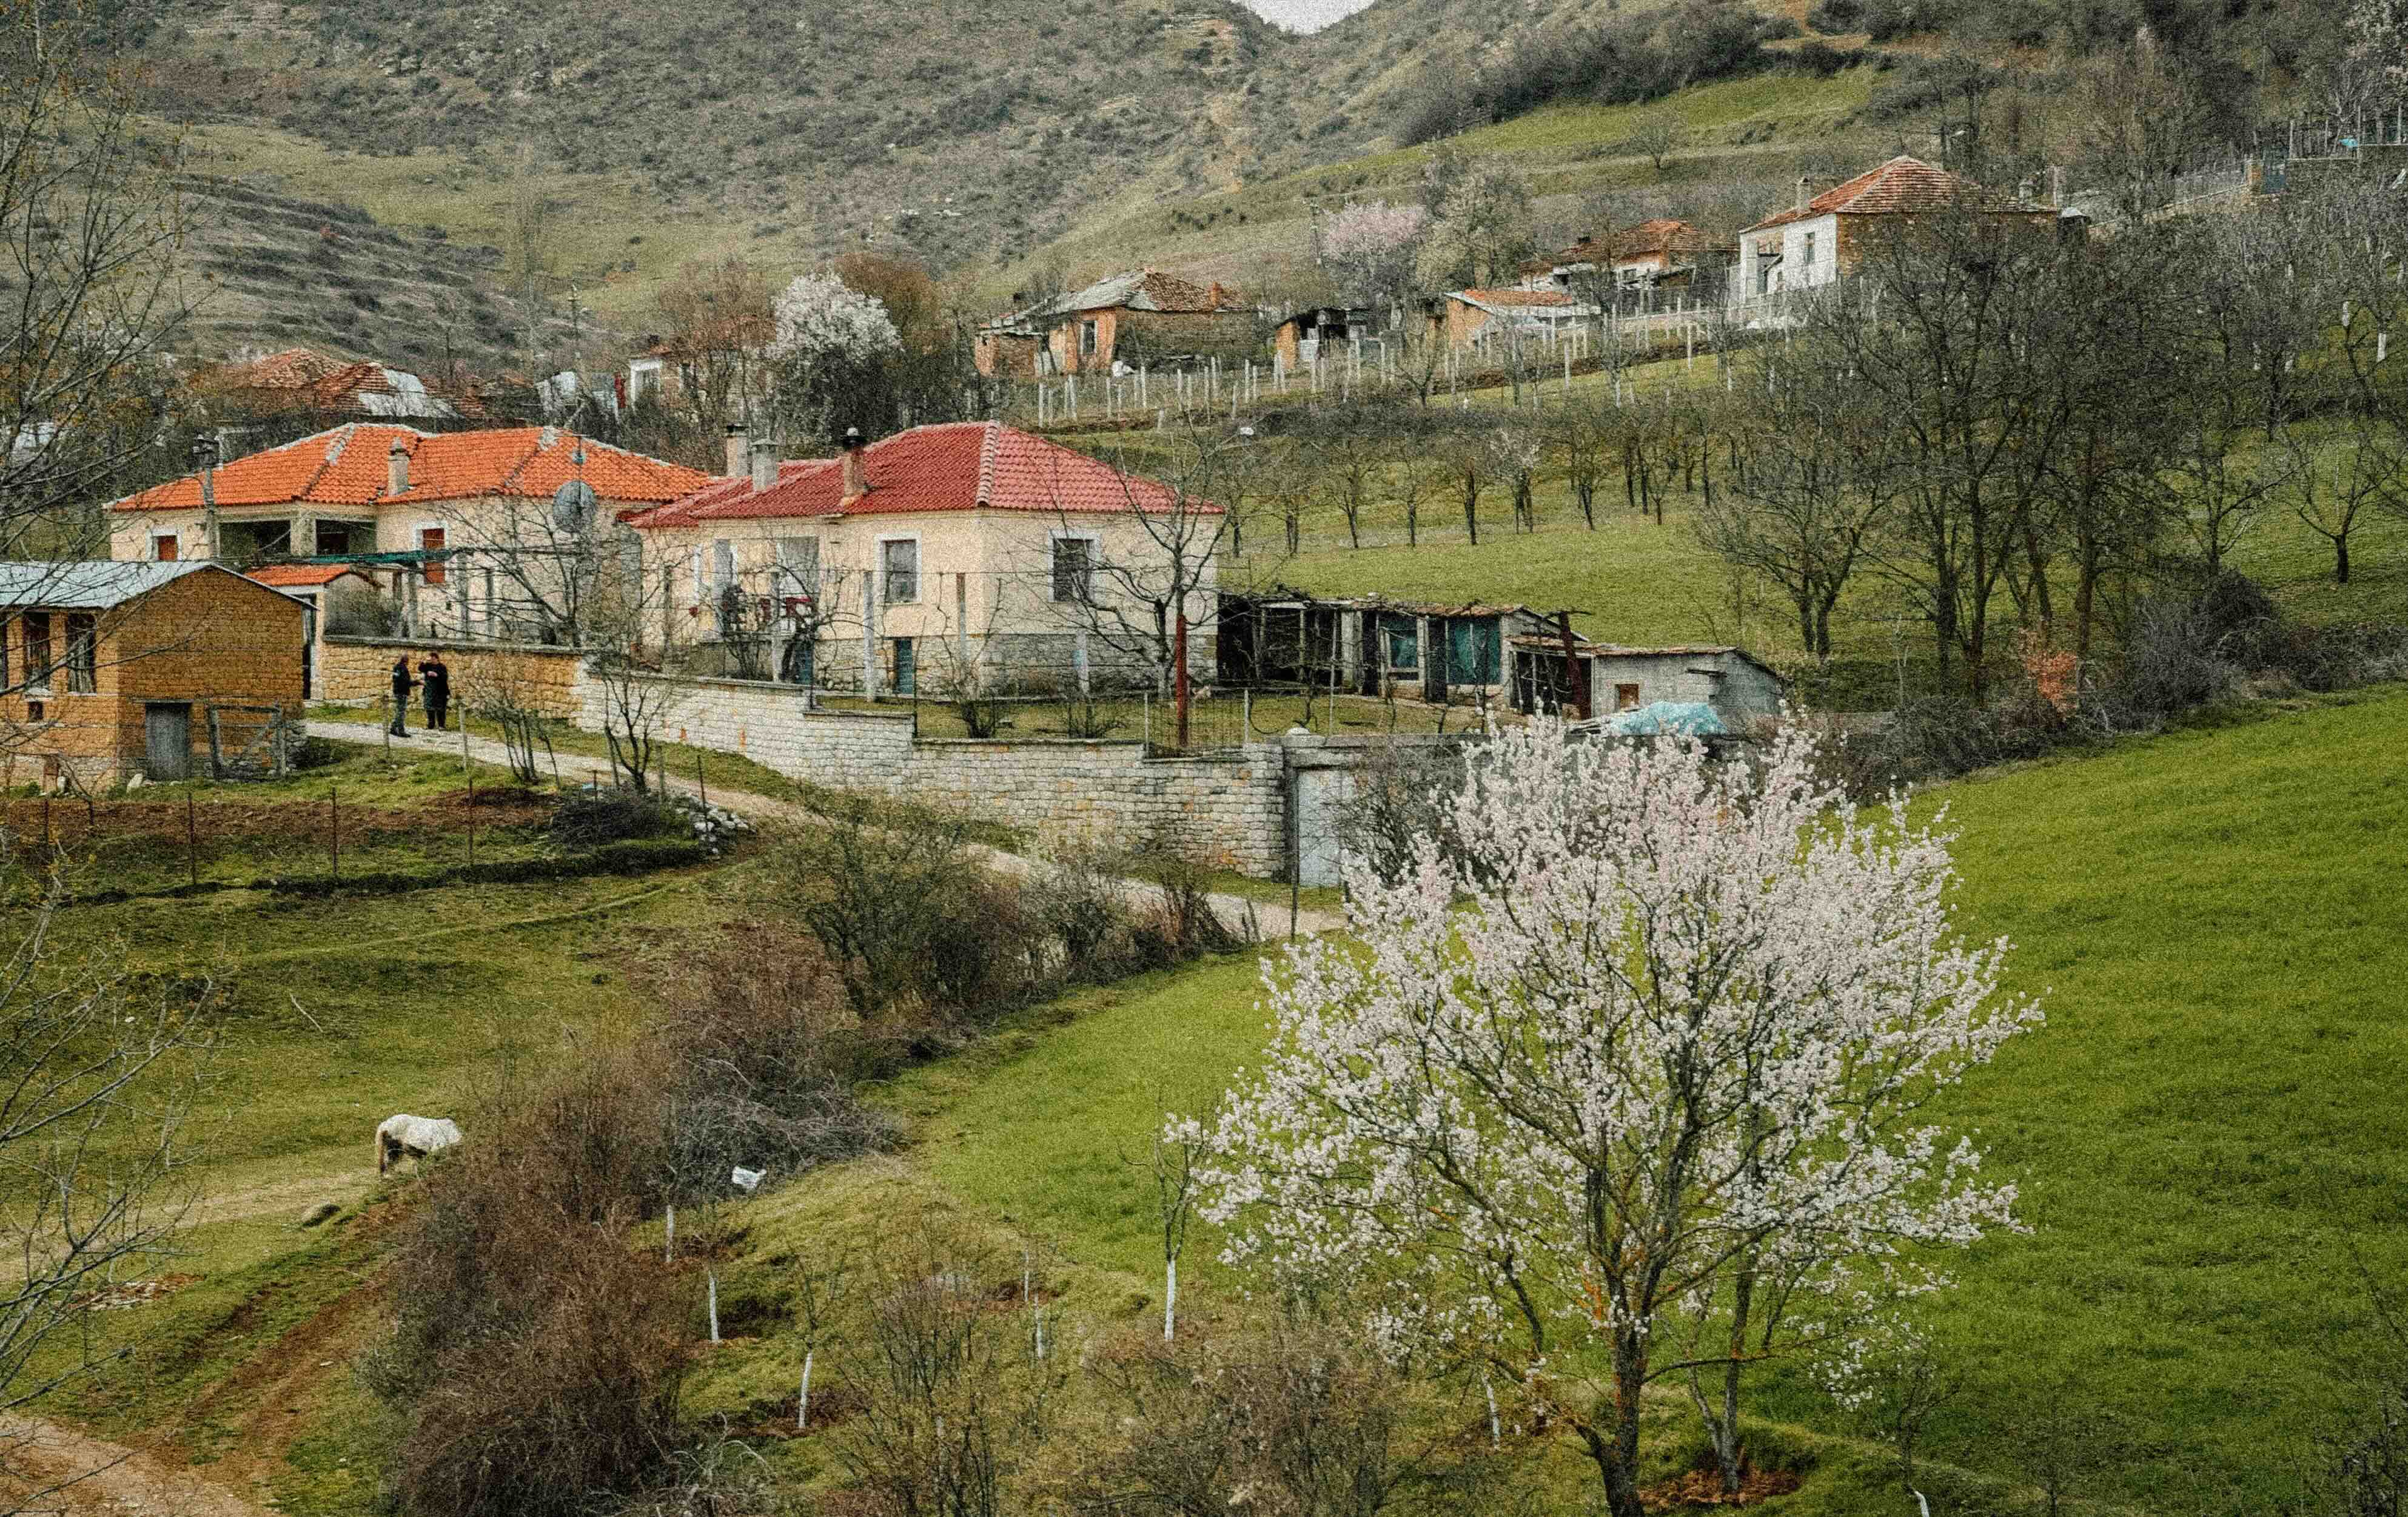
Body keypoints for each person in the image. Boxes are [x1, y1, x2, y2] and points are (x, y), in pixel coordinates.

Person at [421, 653, 451, 733]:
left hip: (440, 691)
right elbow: (420, 668)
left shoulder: (442, 667)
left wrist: (436, 675)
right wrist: (425, 661)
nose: (432, 661)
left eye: (433, 659)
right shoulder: (428, 666)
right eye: (431, 659)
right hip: (429, 691)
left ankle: (441, 725)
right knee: (429, 708)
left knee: (440, 709)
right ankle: (431, 725)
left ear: (437, 659)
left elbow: (445, 678)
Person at [387, 656, 414, 738]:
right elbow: (406, 682)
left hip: (398, 691)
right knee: (401, 712)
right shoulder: (403, 669)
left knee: (399, 711)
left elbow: (397, 680)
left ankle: (393, 728)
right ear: (406, 662)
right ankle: (401, 731)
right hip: (402, 692)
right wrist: (418, 682)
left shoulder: (396, 668)